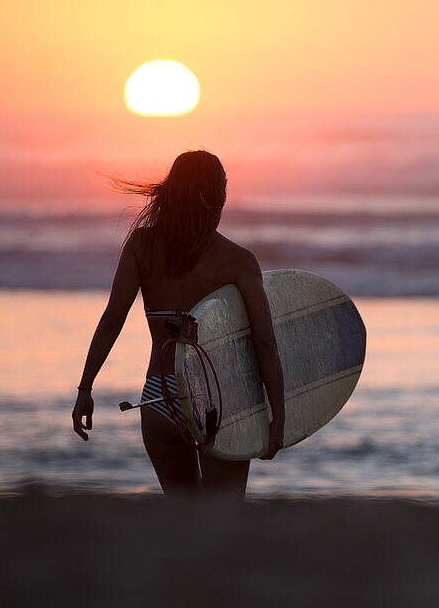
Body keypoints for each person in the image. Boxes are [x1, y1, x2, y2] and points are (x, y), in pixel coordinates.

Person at [71, 150, 285, 499]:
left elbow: (113, 319)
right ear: (219, 196)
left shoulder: (142, 245)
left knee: (181, 520)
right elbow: (265, 344)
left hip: (158, 399)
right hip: (220, 401)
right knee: (222, 522)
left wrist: (85, 389)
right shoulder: (238, 261)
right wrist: (279, 416)